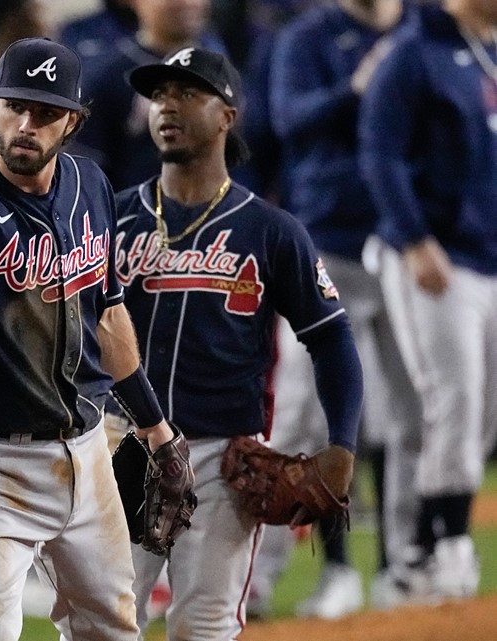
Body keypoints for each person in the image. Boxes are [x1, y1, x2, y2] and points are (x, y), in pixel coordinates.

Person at [0, 37, 184, 640]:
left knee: (113, 630)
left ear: (72, 121)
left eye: (46, 112)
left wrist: (157, 430)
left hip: (86, 449)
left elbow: (109, 318)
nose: (27, 124)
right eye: (15, 107)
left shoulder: (90, 186)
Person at [112, 48, 363, 639]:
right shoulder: (113, 216)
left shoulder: (270, 230)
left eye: (188, 93)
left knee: (205, 625)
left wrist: (343, 443)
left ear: (227, 116)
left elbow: (332, 339)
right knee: (102, 620)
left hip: (219, 456)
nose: (167, 105)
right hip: (121, 445)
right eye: (160, 94)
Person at [252, 0, 420, 619]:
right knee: (297, 419)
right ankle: (259, 580)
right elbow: (284, 122)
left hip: (407, 244)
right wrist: (355, 88)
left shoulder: (423, 26)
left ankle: (407, 567)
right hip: (323, 244)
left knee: (414, 418)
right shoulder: (307, 36)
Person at [359, 0, 497, 606]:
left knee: (484, 408)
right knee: (453, 397)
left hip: (487, 256)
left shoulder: (488, 52)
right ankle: (448, 543)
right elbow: (380, 150)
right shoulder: (413, 54)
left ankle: (418, 548)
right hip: (434, 256)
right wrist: (413, 238)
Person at [75, 0, 224, 192]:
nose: (185, 3)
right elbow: (86, 174)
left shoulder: (225, 67)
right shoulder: (108, 76)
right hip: (137, 214)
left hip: (221, 214)